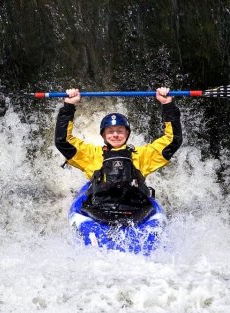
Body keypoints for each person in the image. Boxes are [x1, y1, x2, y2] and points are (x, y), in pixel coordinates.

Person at [54, 87, 182, 223]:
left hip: (134, 212)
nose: (115, 134)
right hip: (101, 212)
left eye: (120, 131)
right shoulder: (91, 154)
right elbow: (62, 140)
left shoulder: (142, 154)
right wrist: (69, 106)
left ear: (127, 134)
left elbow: (173, 140)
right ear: (103, 135)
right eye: (110, 131)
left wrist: (167, 104)